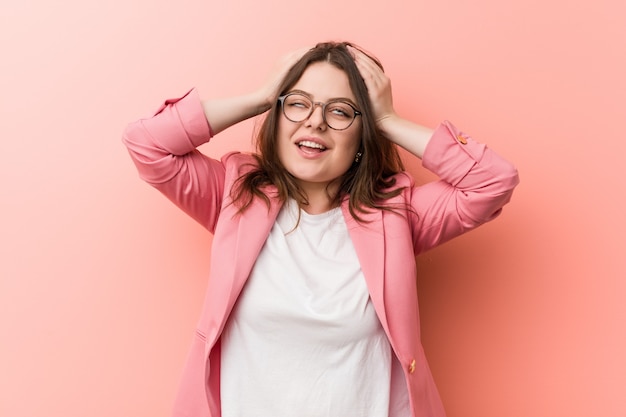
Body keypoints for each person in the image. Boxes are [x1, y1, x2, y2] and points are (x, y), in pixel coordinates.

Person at [122, 41, 519, 417]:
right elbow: (146, 143)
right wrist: (260, 97)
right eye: (297, 104)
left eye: (340, 111)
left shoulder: (395, 214)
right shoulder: (234, 195)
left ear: (362, 135)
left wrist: (387, 119)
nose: (315, 121)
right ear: (277, 119)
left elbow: (493, 181)